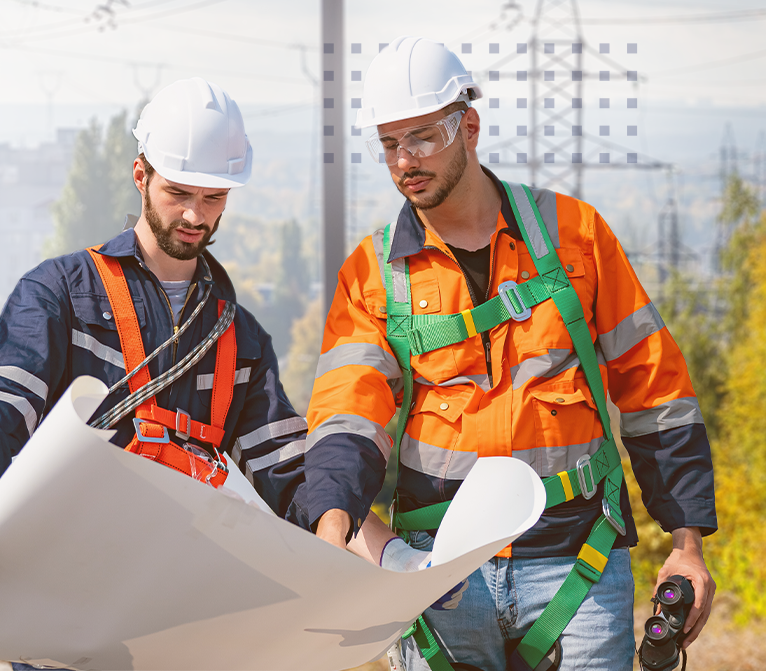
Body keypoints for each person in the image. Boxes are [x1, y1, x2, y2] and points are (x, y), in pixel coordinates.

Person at [300, 37, 717, 671]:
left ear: (467, 125)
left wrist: (687, 546)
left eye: (420, 138)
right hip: (439, 575)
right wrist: (332, 526)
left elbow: (655, 391)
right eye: (388, 144)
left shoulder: (575, 236)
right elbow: (348, 416)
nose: (404, 161)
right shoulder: (373, 274)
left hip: (579, 561)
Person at [0, 77, 309, 669]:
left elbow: (288, 475)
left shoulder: (240, 337)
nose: (194, 215)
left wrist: (377, 561)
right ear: (141, 176)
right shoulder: (60, 295)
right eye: (179, 192)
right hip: (63, 609)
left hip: (180, 616)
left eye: (213, 199)